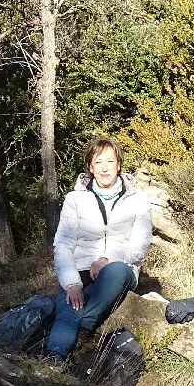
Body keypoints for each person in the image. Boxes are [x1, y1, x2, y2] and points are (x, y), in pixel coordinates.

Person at [49, 138, 153, 360]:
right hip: (80, 270)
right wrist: (71, 283)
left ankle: (86, 326)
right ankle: (52, 363)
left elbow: (140, 244)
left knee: (116, 271)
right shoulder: (75, 199)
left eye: (110, 161)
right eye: (98, 162)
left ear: (119, 164)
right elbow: (63, 244)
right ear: (90, 167)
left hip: (118, 269)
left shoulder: (138, 199)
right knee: (67, 312)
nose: (104, 168)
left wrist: (107, 259)